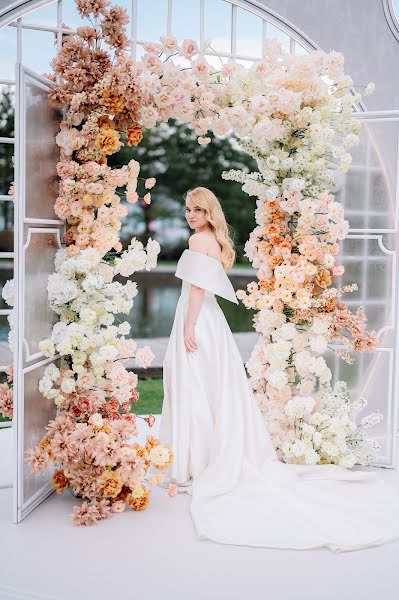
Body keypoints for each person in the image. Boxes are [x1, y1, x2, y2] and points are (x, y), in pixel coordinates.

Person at [158, 186, 399, 552]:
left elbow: (193, 290)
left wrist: (189, 327)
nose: (191, 215)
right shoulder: (214, 242)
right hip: (213, 320)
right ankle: (203, 454)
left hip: (197, 319)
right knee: (209, 385)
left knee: (193, 383)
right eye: (188, 209)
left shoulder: (196, 241)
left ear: (209, 213)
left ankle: (195, 460)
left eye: (197, 210)